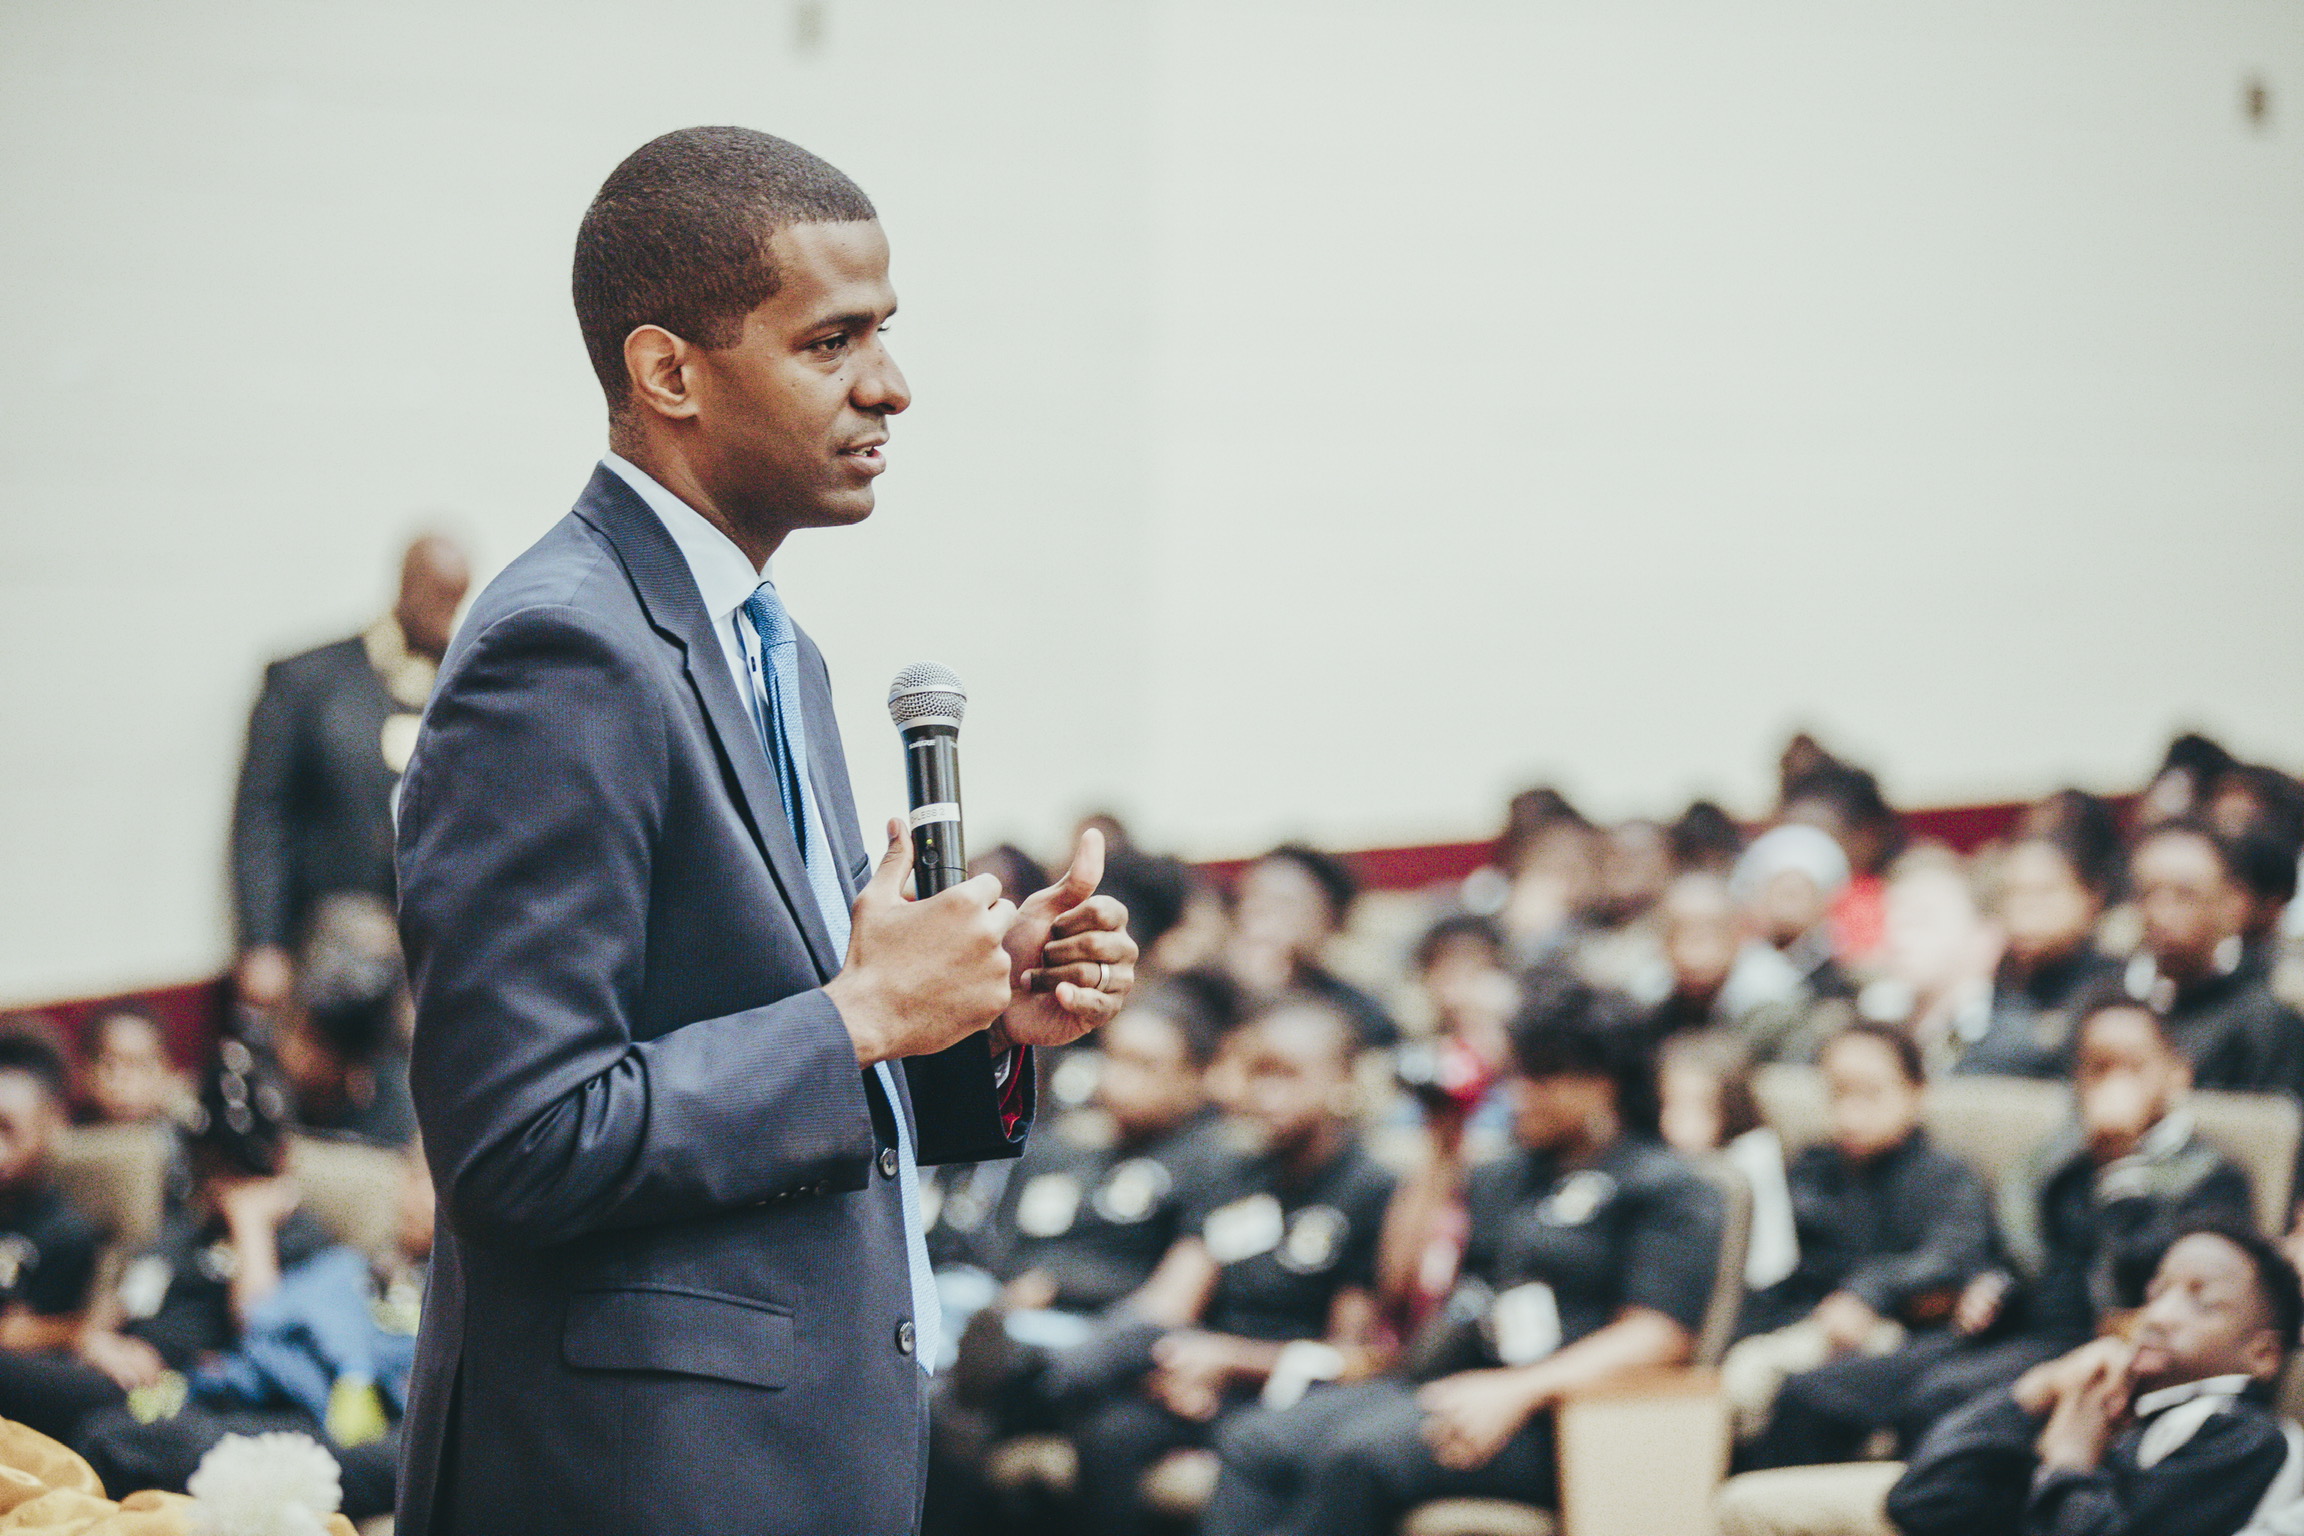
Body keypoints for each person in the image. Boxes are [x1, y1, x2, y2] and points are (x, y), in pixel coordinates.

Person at [391, 127, 1139, 1536]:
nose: (893, 386)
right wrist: (862, 1016)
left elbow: (768, 1063)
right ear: (668, 371)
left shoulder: (770, 649)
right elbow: (520, 1144)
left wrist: (969, 1020)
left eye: (889, 333)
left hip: (795, 1452)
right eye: (831, 342)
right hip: (637, 1483)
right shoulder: (563, 648)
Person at [1197, 980, 1725, 1536]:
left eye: (1541, 1077)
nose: (1518, 1094)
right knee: (1255, 1440)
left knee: (1358, 1457)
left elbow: (1658, 1336)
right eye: (1517, 1073)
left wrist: (1519, 1391)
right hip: (1458, 1379)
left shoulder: (1670, 1185)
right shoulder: (1506, 1172)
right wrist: (1440, 1148)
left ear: (1602, 1083)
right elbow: (1400, 1286)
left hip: (1565, 1416)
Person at [1745, 990, 2254, 1471]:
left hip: (2097, 1344)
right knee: (1811, 1394)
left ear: (2177, 1073)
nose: (2111, 1084)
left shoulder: (2212, 1176)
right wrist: (1990, 1284)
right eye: (2097, 1068)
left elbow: (2143, 1279)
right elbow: (2008, 1252)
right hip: (2011, 1332)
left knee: (1940, 1400)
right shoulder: (2054, 1162)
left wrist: (2123, 1168)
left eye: (2132, 1066)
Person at [1059, 1000, 1394, 1536]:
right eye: (1258, 1075)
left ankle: (1035, 1382)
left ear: (1344, 1081)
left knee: (1250, 1448)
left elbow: (1352, 1357)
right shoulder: (1235, 1172)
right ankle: (1038, 1381)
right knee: (1110, 1434)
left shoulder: (1369, 1188)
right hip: (1208, 1372)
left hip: (1289, 1391)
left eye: (1287, 1076)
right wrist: (1181, 1363)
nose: (1266, 1094)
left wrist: (1231, 1361)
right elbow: (1177, 1296)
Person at [74, 1053, 403, 1521]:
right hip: (133, 1387)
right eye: (213, 1168)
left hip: (237, 1412)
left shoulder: (308, 1242)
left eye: (238, 1170)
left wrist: (250, 1221)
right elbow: (109, 1311)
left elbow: (260, 1324)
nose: (223, 1185)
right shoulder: (181, 1231)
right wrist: (99, 1342)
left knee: (108, 1438)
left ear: (280, 1160)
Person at [1884, 1222, 2303, 1536]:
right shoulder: (2105, 1402)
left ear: (2263, 1355)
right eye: (2157, 1292)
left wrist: (2068, 1461)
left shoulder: (2242, 1435)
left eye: (2201, 1302)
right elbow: (1919, 1503)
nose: (2157, 1316)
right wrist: (2033, 1393)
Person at [231, 533, 471, 1011]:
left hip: (433, 940)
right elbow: (262, 815)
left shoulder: (462, 682)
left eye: (456, 598)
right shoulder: (310, 681)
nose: (445, 612)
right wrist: (261, 941)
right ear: (408, 583)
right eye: (436, 593)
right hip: (329, 932)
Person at [1722, 1024, 1992, 1446]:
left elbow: (1954, 1255)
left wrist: (1868, 1293)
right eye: (1838, 1094)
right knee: (1740, 1376)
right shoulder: (1810, 1170)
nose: (1851, 1114)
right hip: (1809, 1326)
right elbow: (1778, 1271)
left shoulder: (1948, 1175)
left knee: (1790, 1387)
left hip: (1906, 1335)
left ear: (1916, 1092)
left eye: (1870, 1093)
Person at [2125, 819, 2304, 1095]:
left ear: (2232, 904)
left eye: (2184, 896)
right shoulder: (2108, 1000)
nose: (2159, 913)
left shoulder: (2266, 1022)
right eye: (2147, 893)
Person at [1954, 804, 2126, 1078]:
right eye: (2012, 893)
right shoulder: (1993, 978)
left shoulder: (2117, 985)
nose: (2024, 909)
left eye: (2043, 893)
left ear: (2091, 896)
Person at [0, 1030, 109, 1443]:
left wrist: (66, 1332)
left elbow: (21, 1337)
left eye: (9, 1129)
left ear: (52, 1124)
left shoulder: (65, 1232)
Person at [275, 894, 416, 1148]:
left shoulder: (395, 1105)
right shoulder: (267, 1079)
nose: (293, 1054)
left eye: (314, 1044)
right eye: (293, 1031)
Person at [1223, 845, 1400, 1048]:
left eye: (1283, 904)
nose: (1257, 914)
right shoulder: (1207, 995)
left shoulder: (1358, 1014)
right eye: (1248, 898)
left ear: (1331, 919)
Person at [76, 1008, 187, 1128]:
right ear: (86, 1074)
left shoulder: (184, 1126)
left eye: (144, 1066)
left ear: (168, 1072)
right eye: (111, 1066)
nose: (127, 1082)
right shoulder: (68, 1132)